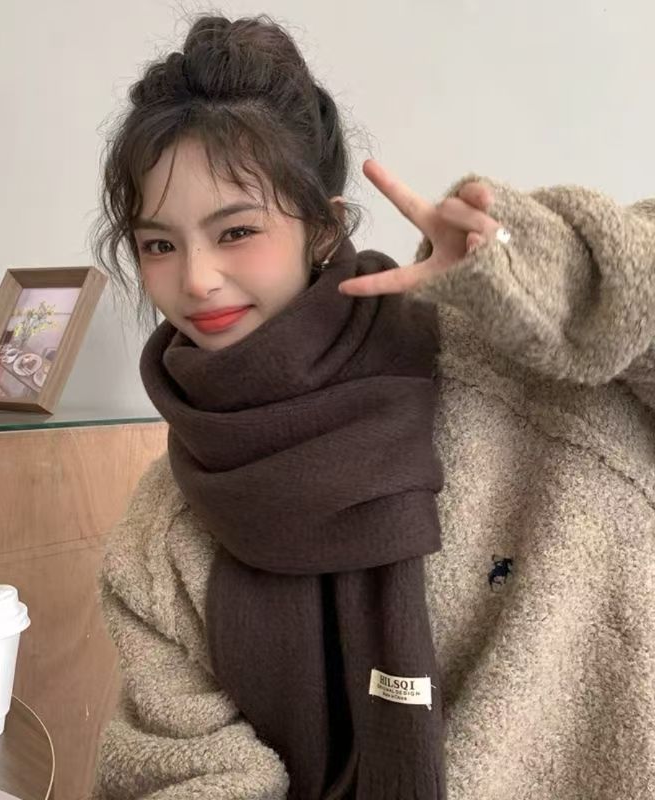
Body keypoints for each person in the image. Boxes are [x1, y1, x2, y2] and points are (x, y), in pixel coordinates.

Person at [90, 14, 655, 800]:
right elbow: (184, 770)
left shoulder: (508, 375)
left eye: (237, 230)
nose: (196, 279)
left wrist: (540, 274)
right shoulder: (163, 533)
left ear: (323, 228)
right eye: (159, 244)